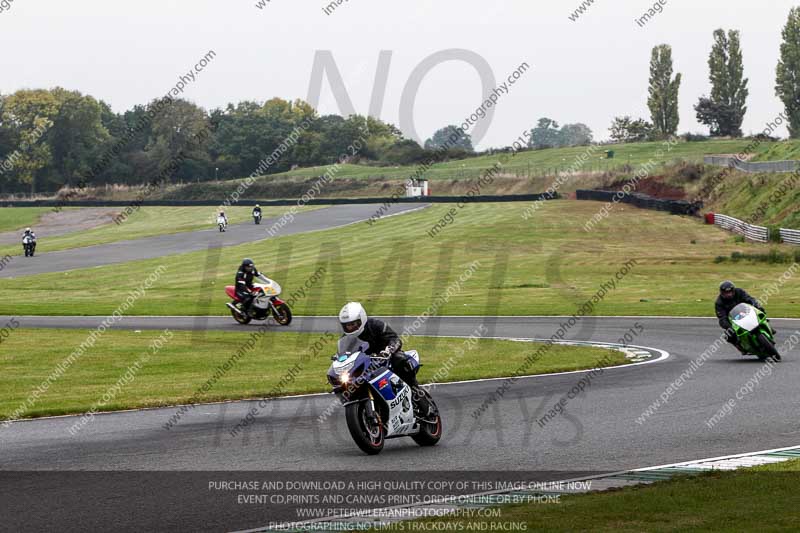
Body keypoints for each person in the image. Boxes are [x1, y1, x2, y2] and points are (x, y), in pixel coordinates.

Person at [337, 302, 431, 416]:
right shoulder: (346, 339)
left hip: (386, 358)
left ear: (361, 319)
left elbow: (395, 339)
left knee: (400, 361)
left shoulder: (375, 325)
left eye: (353, 324)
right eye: (347, 325)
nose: (351, 327)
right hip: (368, 367)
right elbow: (345, 356)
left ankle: (417, 393)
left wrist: (388, 350)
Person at [715, 280, 766, 354]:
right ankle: (740, 346)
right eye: (726, 293)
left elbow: (749, 298)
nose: (729, 295)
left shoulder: (739, 292)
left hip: (747, 312)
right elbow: (722, 318)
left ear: (733, 290)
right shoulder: (719, 302)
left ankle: (766, 322)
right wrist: (729, 326)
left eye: (730, 292)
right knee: (728, 334)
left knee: (759, 307)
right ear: (722, 293)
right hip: (734, 320)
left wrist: (754, 303)